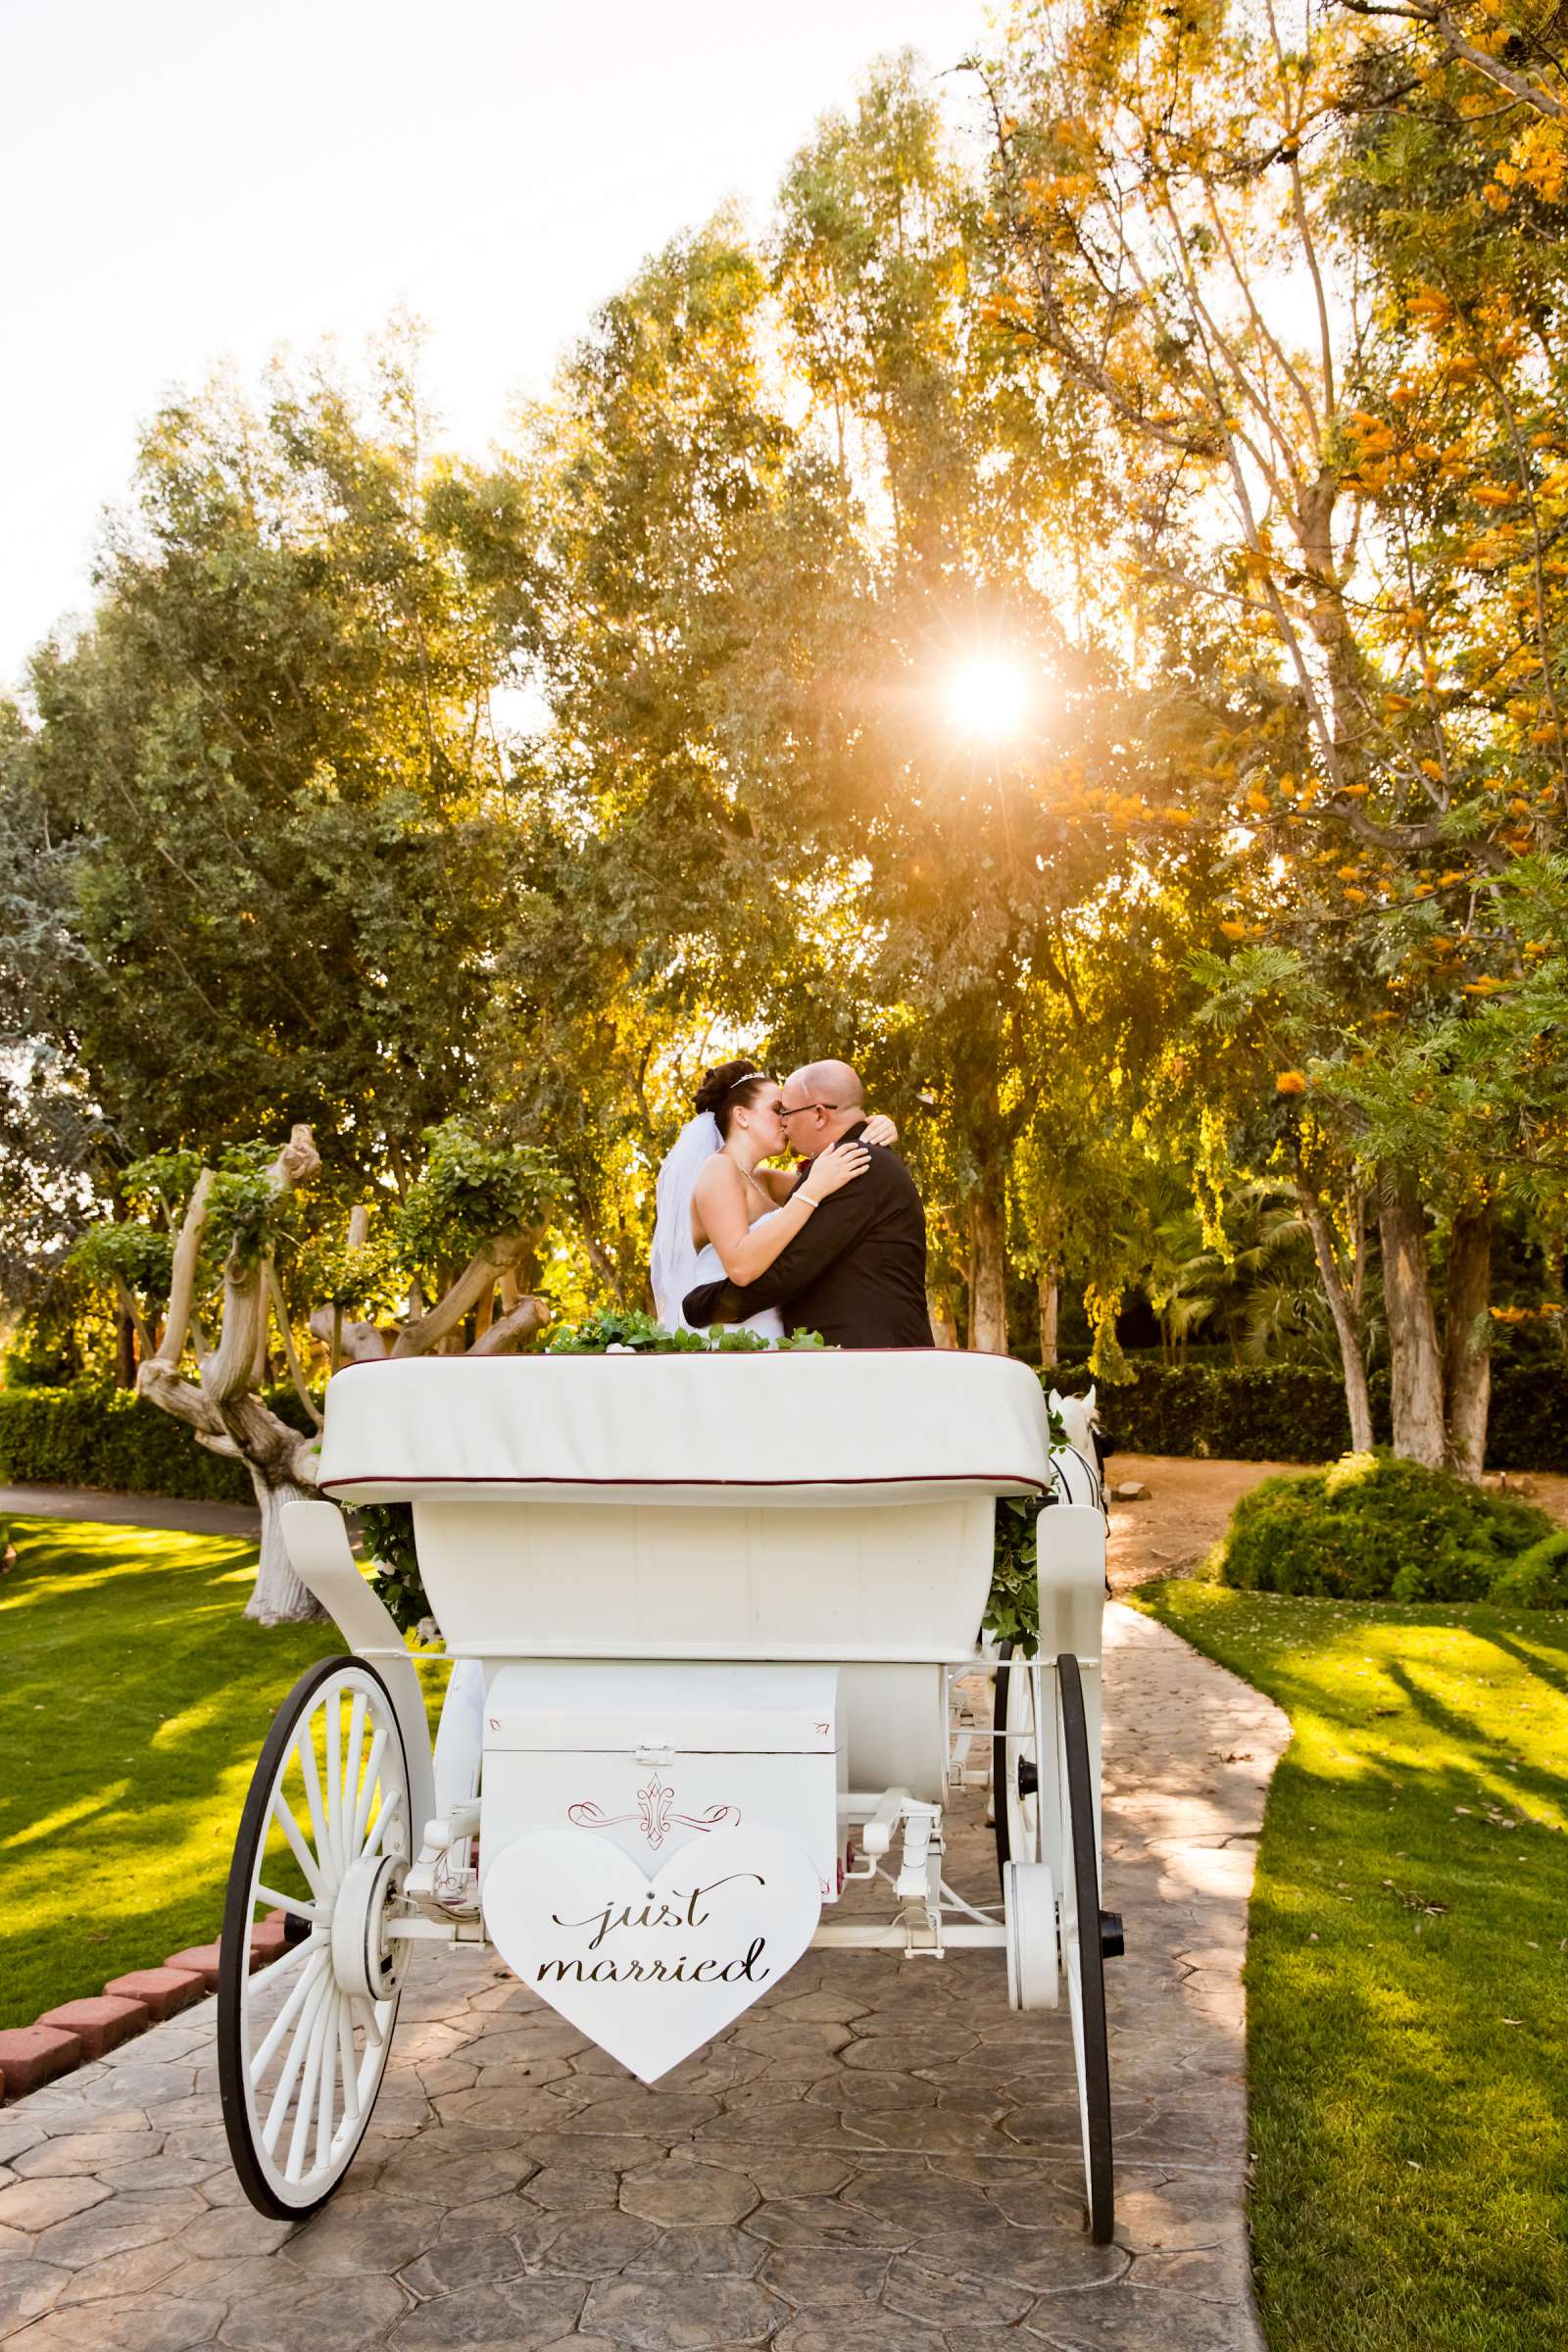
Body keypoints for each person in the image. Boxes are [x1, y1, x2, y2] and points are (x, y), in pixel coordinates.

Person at [680, 1058, 931, 1349]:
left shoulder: (845, 1165)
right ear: (742, 1116)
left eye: (786, 1110)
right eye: (777, 1110)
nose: (784, 1120)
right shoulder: (721, 1170)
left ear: (820, 1114)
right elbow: (765, 1255)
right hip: (741, 1333)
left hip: (864, 1350)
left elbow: (793, 1264)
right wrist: (812, 1188)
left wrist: (875, 1124)